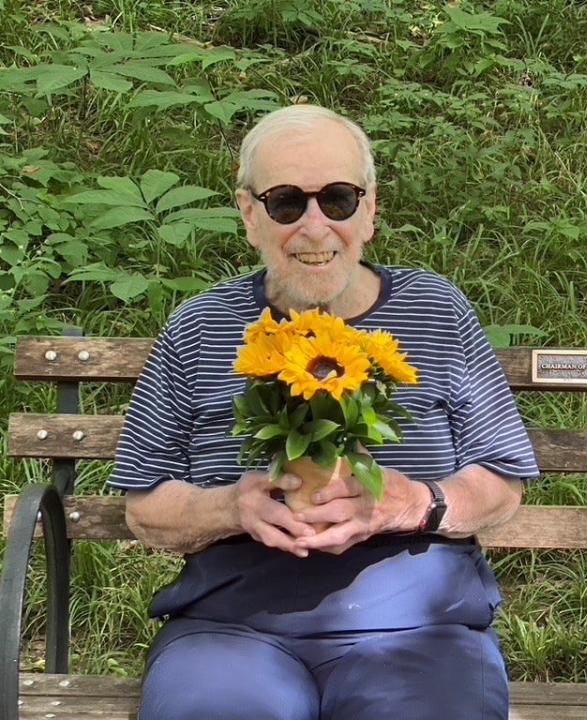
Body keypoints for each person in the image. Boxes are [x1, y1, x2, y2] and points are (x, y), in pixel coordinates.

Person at [108, 104, 540, 720]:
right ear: (249, 215)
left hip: (416, 627)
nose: (315, 227)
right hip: (234, 628)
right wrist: (231, 505)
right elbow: (144, 506)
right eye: (286, 202)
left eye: (338, 198)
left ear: (369, 210)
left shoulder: (436, 310)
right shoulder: (202, 326)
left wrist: (414, 502)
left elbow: (502, 481)